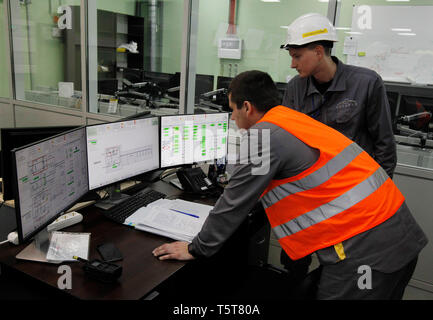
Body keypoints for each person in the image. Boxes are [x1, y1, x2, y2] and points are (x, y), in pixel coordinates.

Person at [152, 70, 427, 299]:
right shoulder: (291, 119)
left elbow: (235, 201)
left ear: (247, 107)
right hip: (398, 234)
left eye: (233, 111)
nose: (233, 119)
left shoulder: (262, 135)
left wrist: (196, 247)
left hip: (367, 250)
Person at [279, 12, 398, 279]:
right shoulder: (294, 89)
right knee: (294, 263)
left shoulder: (366, 83)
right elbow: (286, 141)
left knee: (343, 267)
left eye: (297, 56)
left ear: (318, 51)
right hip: (307, 199)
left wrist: (375, 199)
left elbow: (384, 146)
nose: (293, 64)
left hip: (352, 200)